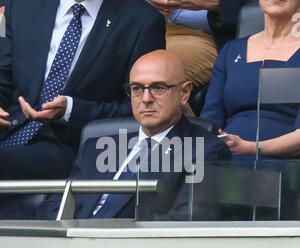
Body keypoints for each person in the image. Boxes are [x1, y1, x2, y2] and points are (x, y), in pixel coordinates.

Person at [39, 50, 230, 221]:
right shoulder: (97, 147)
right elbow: (58, 200)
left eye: (158, 88)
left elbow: (188, 218)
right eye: (137, 89)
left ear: (185, 93)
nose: (146, 99)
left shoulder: (205, 150)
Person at [0, 0, 166, 180]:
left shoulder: (142, 20)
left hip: (72, 145)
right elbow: (3, 75)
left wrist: (71, 110)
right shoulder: (21, 6)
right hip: (10, 129)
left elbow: (141, 108)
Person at [201, 0, 300, 161]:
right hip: (224, 163)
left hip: (285, 168)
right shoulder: (231, 51)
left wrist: (251, 148)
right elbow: (209, 121)